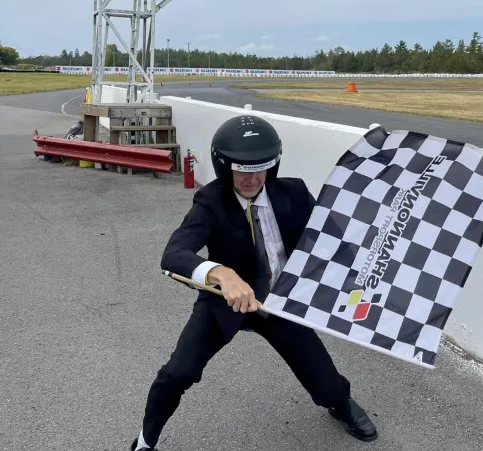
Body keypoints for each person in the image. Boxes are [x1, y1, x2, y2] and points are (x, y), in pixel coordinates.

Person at [130, 115, 378, 450]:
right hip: (225, 301)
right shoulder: (210, 201)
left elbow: (330, 240)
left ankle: (340, 404)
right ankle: (146, 441)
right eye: (242, 169)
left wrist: (361, 267)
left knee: (326, 382)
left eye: (260, 168)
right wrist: (222, 274)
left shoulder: (295, 192)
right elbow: (174, 253)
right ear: (223, 166)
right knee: (177, 373)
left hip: (278, 301)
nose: (251, 178)